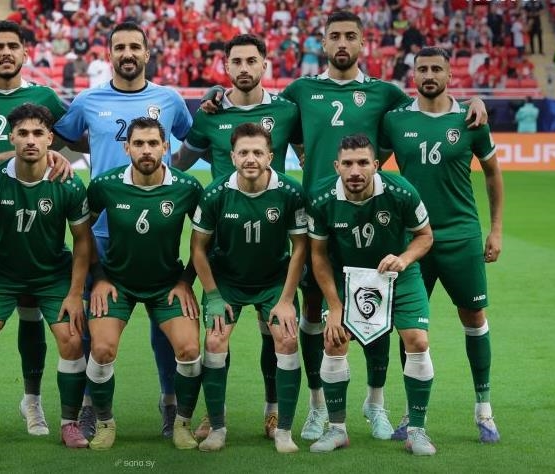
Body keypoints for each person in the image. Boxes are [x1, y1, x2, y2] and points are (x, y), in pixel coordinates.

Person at [200, 12, 486, 441]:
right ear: (323, 41)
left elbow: (429, 102)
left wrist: (472, 100)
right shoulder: (301, 90)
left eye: (350, 36)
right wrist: (217, 94)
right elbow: (258, 103)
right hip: (317, 216)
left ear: (362, 43)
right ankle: (318, 407)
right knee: (314, 313)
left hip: (369, 216)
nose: (342, 43)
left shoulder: (384, 92)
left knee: (377, 311)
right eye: (334, 36)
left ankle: (376, 404)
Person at [54, 21, 193, 440]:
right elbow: (62, 138)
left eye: (135, 46)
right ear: (110, 54)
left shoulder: (169, 99)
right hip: (102, 233)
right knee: (92, 324)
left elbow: (193, 140)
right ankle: (88, 408)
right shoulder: (88, 99)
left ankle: (170, 403)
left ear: (147, 53)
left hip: (156, 230)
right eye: (120, 47)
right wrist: (60, 157)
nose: (128, 53)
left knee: (165, 324)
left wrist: (174, 174)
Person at [173, 33, 301, 440]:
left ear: (265, 63)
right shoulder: (208, 114)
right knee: (217, 336)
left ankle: (274, 411)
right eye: (236, 61)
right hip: (223, 248)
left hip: (272, 247)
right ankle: (216, 415)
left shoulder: (287, 111)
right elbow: (179, 163)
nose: (244, 68)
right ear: (225, 66)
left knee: (276, 334)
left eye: (251, 60)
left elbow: (312, 153)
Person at [0, 19, 75, 438]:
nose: (5, 53)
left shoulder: (45, 97)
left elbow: (69, 138)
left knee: (33, 315)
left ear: (25, 53)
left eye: (13, 46)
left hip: (37, 228)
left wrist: (58, 157)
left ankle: (33, 401)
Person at [379, 47, 504, 444]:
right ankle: (411, 414)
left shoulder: (470, 119)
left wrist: (496, 229)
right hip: (414, 238)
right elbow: (368, 165)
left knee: (474, 316)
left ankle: (484, 409)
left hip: (460, 234)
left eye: (437, 69)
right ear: (413, 75)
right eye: (423, 69)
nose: (429, 74)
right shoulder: (396, 120)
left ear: (451, 75)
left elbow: (493, 174)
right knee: (410, 326)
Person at [0, 103, 93, 450]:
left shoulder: (68, 183)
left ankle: (69, 424)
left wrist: (75, 294)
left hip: (52, 275)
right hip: (3, 275)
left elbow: (82, 242)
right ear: (12, 138)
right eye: (23, 133)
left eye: (38, 133)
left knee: (72, 339)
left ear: (50, 138)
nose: (31, 140)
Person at [306, 133, 436, 456]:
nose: (355, 171)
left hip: (398, 276)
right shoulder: (321, 198)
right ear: (336, 166)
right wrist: (334, 305)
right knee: (334, 341)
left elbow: (425, 236)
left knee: (418, 341)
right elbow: (318, 256)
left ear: (376, 165)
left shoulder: (400, 191)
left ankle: (417, 431)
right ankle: (337, 430)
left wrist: (404, 259)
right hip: (348, 279)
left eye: (363, 163)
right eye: (348, 163)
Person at [85, 117, 203, 450]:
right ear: (127, 148)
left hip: (167, 284)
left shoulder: (187, 187)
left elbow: (205, 240)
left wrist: (186, 280)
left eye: (153, 143)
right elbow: (82, 234)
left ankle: (181, 423)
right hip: (117, 283)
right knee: (102, 349)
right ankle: (104, 423)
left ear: (166, 147)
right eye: (139, 143)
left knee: (190, 351)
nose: (146, 150)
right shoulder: (105, 185)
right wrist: (99, 278)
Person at [190, 123, 307, 453]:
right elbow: (197, 248)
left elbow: (300, 246)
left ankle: (281, 426)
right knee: (215, 340)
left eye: (258, 152)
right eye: (243, 152)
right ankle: (217, 426)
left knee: (286, 339)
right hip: (227, 280)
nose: (250, 159)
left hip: (274, 281)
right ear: (232, 157)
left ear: (270, 156)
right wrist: (213, 296)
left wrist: (286, 299)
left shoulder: (290, 192)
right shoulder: (215, 193)